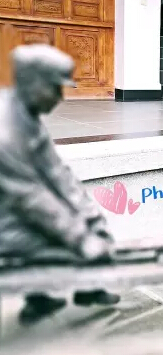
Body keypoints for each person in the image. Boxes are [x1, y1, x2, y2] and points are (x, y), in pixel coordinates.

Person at [0, 44, 120, 325]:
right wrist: (81, 238)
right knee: (55, 242)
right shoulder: (6, 132)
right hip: (7, 218)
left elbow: (57, 173)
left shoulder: (25, 114)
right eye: (55, 88)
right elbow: (31, 198)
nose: (59, 98)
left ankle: (87, 289)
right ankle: (39, 299)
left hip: (19, 206)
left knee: (87, 227)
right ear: (32, 83)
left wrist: (90, 214)